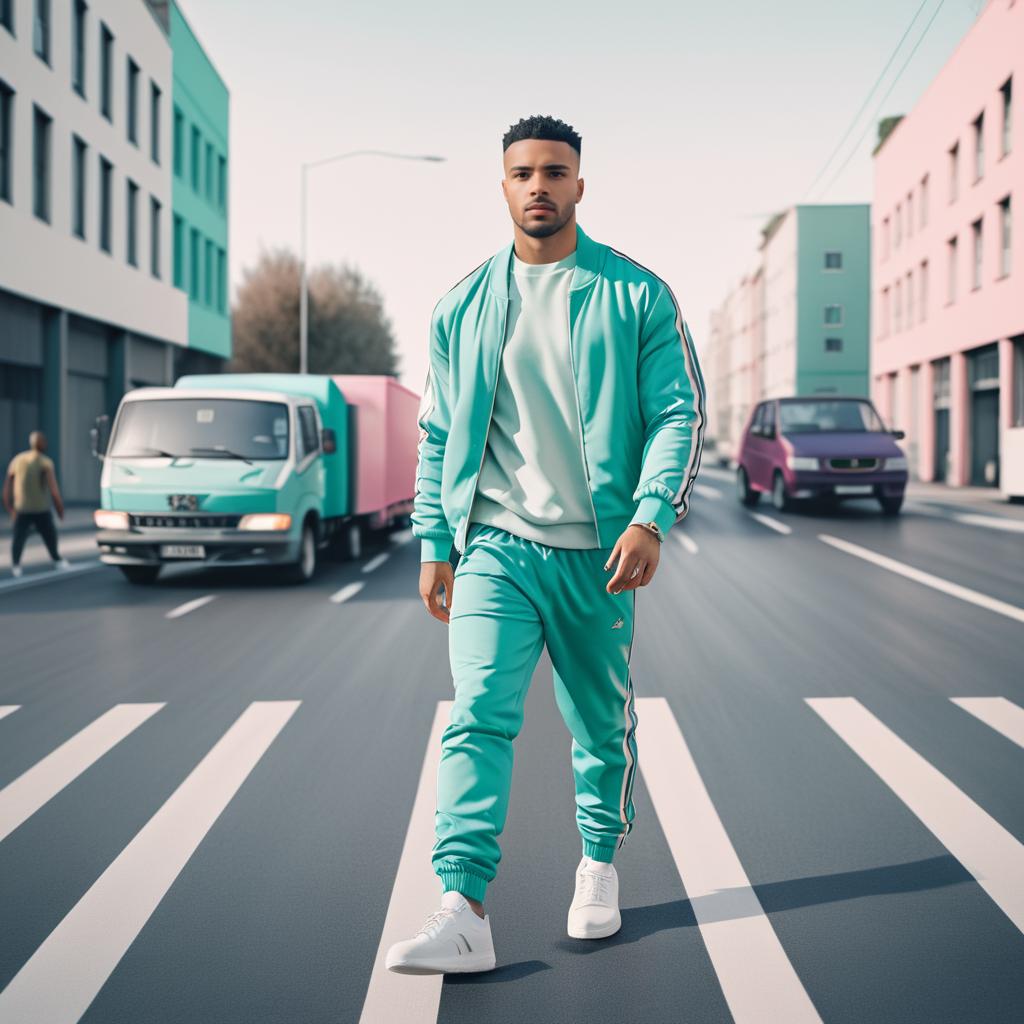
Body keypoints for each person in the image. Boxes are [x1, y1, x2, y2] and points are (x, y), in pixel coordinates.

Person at [387, 115, 705, 975]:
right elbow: (439, 431)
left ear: (579, 185)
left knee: (600, 727)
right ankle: (464, 907)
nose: (539, 186)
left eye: (555, 172)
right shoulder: (463, 304)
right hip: (496, 543)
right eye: (523, 173)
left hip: (595, 554)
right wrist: (434, 540)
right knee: (478, 712)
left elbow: (678, 411)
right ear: (502, 186)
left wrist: (650, 516)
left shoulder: (637, 295)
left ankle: (598, 865)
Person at [3, 431, 71, 579]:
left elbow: (7, 487)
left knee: (19, 538)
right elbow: (54, 491)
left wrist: (9, 507)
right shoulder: (45, 462)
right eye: (44, 441)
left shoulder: (17, 460)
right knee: (50, 535)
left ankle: (16, 566)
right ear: (41, 444)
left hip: (22, 508)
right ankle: (57, 559)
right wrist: (60, 510)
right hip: (41, 509)